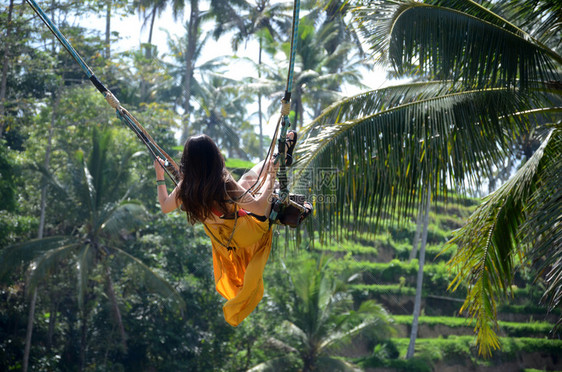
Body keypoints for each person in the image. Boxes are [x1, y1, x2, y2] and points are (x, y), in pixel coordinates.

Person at [154, 132, 296, 326]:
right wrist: (271, 178)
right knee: (250, 181)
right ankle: (274, 160)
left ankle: (276, 158)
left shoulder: (185, 186)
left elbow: (164, 206)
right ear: (215, 158)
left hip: (225, 241)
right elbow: (261, 209)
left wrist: (159, 175)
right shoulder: (224, 183)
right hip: (248, 232)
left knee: (247, 183)